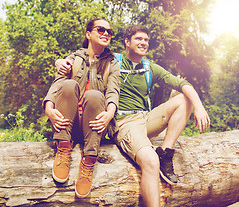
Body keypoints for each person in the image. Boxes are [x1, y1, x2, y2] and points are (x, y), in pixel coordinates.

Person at [56, 24, 210, 207]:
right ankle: (155, 164)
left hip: (145, 118)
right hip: (123, 122)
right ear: (127, 42)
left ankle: (165, 152)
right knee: (151, 162)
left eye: (146, 40)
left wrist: (199, 106)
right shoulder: (113, 60)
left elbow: (182, 83)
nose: (143, 43)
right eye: (138, 39)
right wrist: (60, 61)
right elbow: (86, 55)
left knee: (185, 99)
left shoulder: (149, 67)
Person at [43, 18, 120, 198]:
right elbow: (57, 84)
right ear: (88, 34)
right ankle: (63, 148)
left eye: (109, 31)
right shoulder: (73, 59)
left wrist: (109, 113)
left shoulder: (112, 63)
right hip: (67, 124)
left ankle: (89, 160)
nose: (106, 34)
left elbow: (113, 91)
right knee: (69, 85)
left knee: (94, 95)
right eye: (101, 29)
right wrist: (48, 108)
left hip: (94, 126)